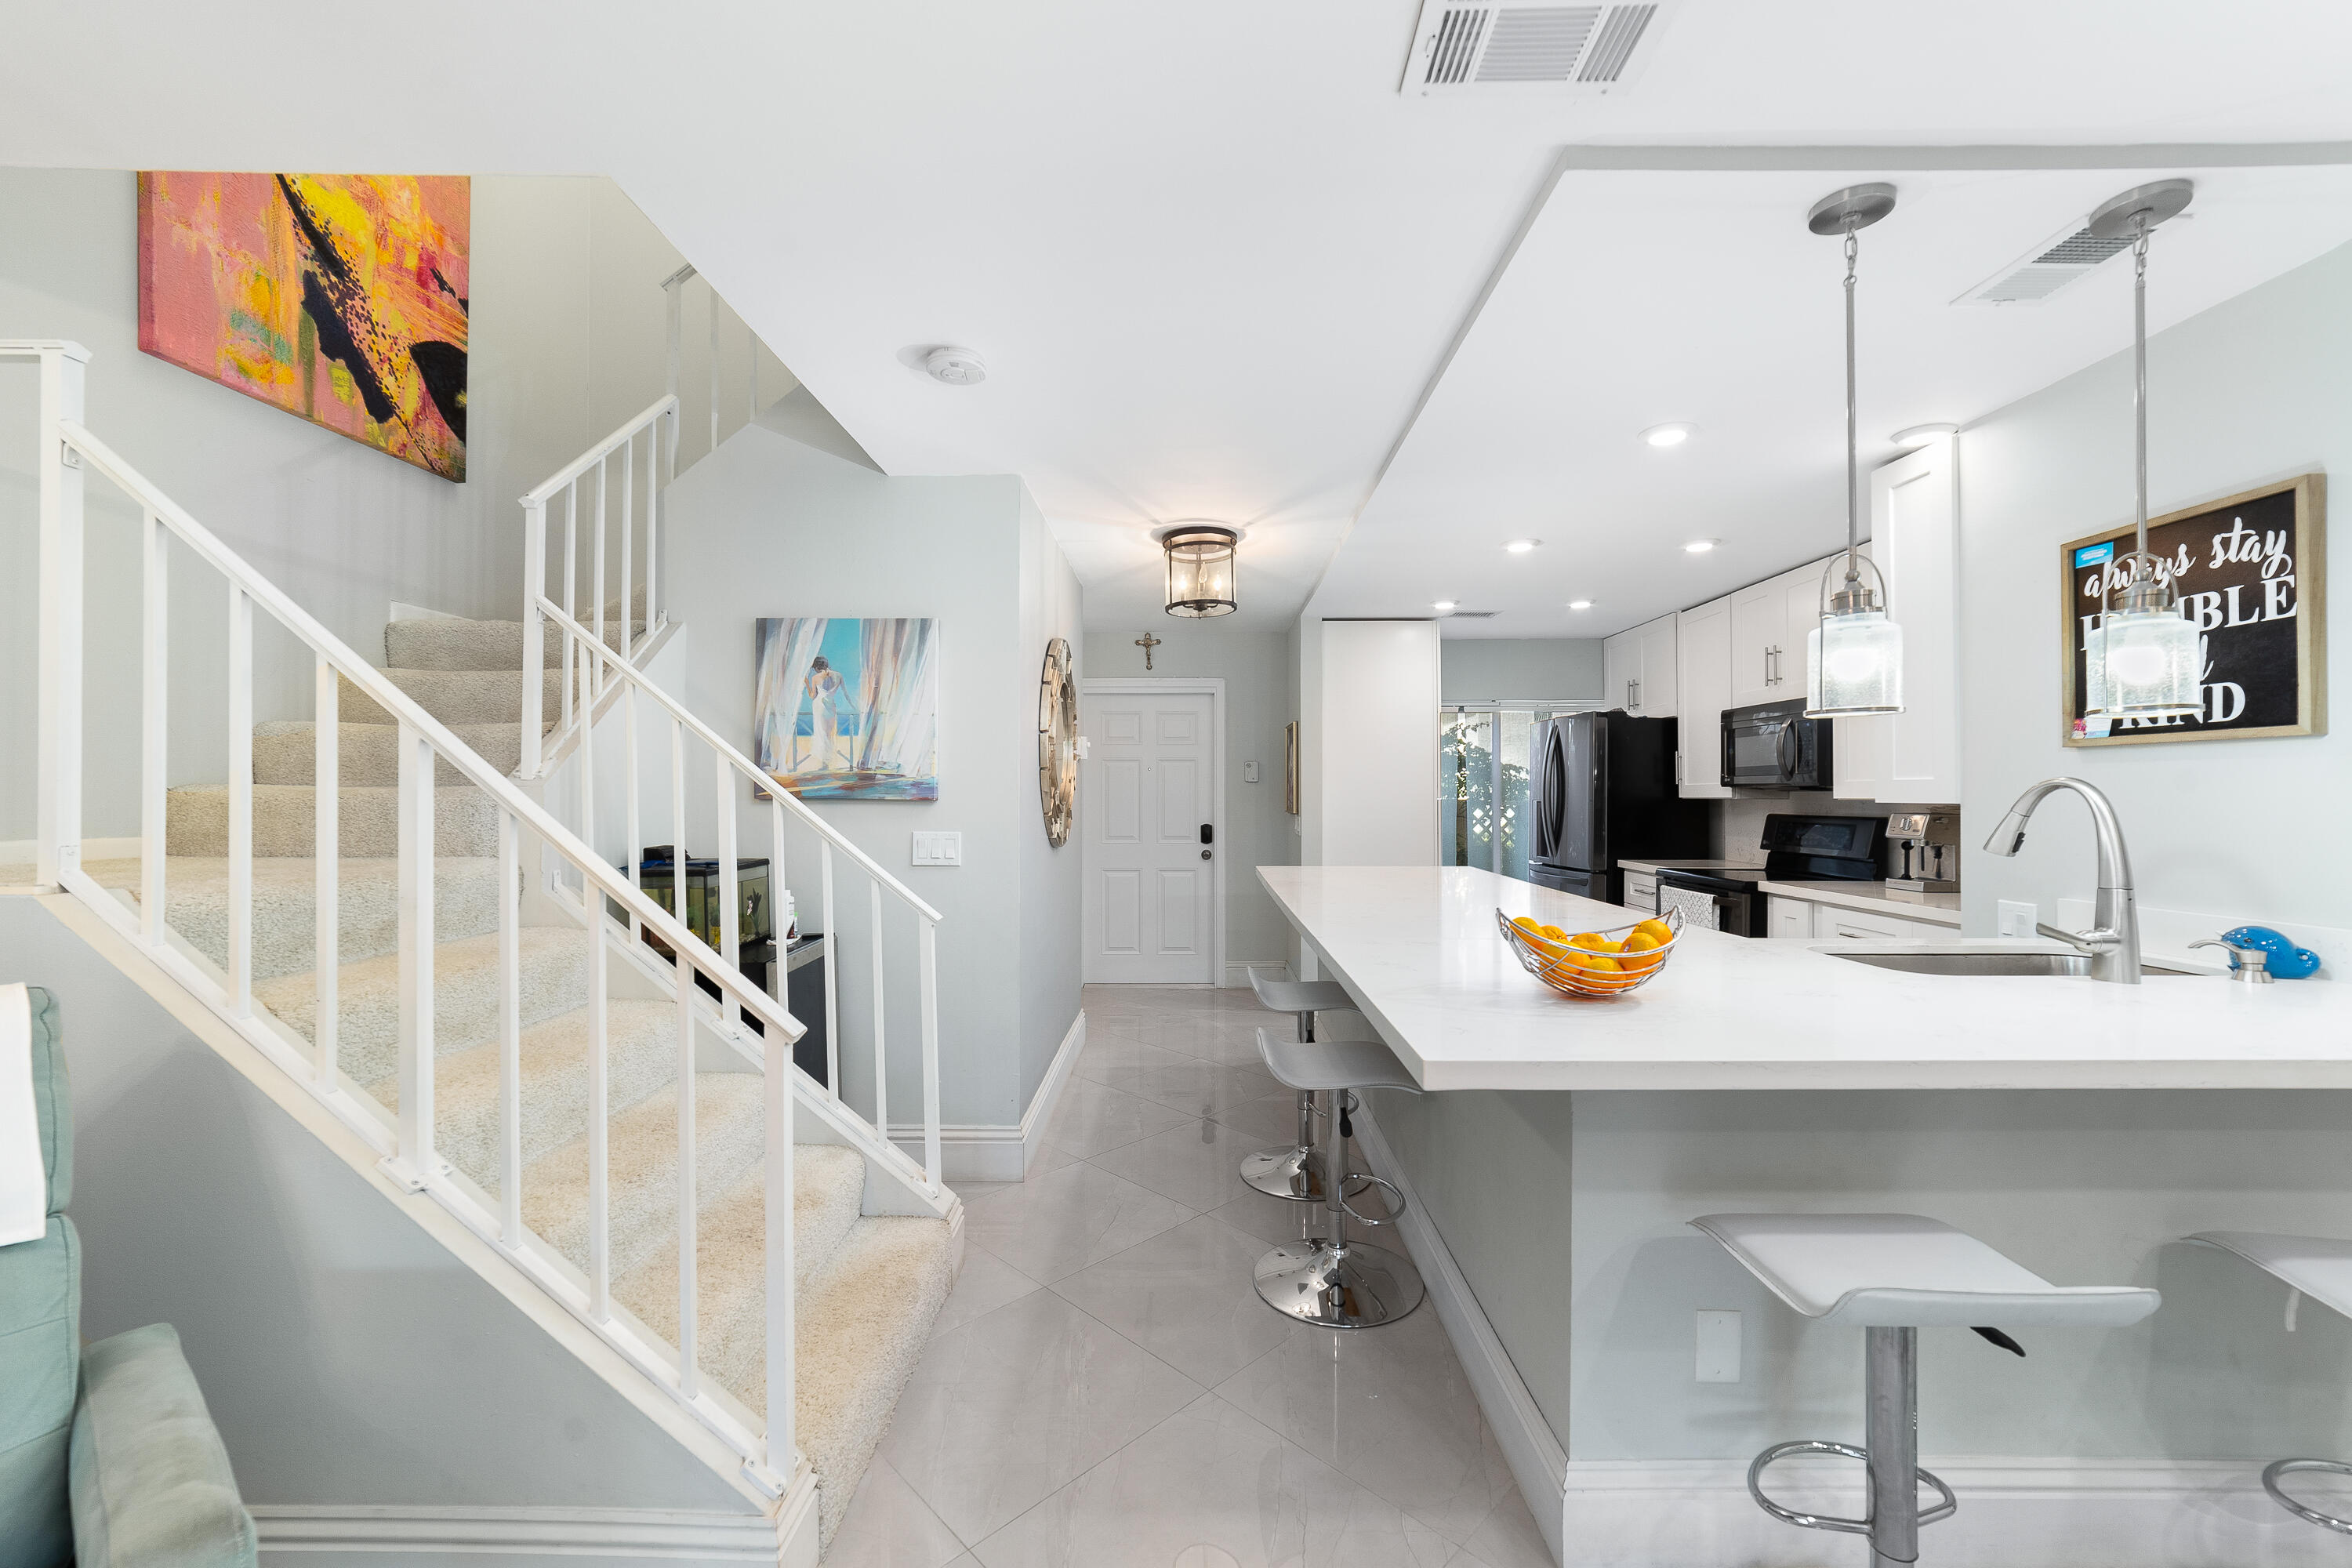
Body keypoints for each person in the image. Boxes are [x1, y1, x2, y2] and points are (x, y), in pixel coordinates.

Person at [801, 655, 849, 773]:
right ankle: (827, 762)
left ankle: (825, 764)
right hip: (831, 706)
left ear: (817, 668)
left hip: (819, 706)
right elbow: (846, 694)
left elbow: (813, 696)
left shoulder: (815, 678)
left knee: (822, 734)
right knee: (829, 734)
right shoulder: (838, 675)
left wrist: (806, 683)